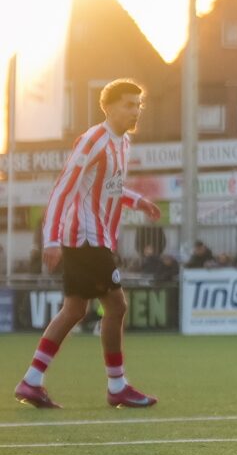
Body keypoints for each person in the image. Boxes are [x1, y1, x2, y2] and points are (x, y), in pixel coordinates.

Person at [16, 79, 160, 411]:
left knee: (75, 309)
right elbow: (63, 188)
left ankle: (32, 380)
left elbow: (110, 189)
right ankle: (117, 386)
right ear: (108, 107)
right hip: (85, 237)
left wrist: (138, 201)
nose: (135, 110)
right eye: (128, 104)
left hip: (96, 239)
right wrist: (50, 239)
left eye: (138, 104)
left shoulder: (123, 143)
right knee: (116, 306)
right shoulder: (93, 140)